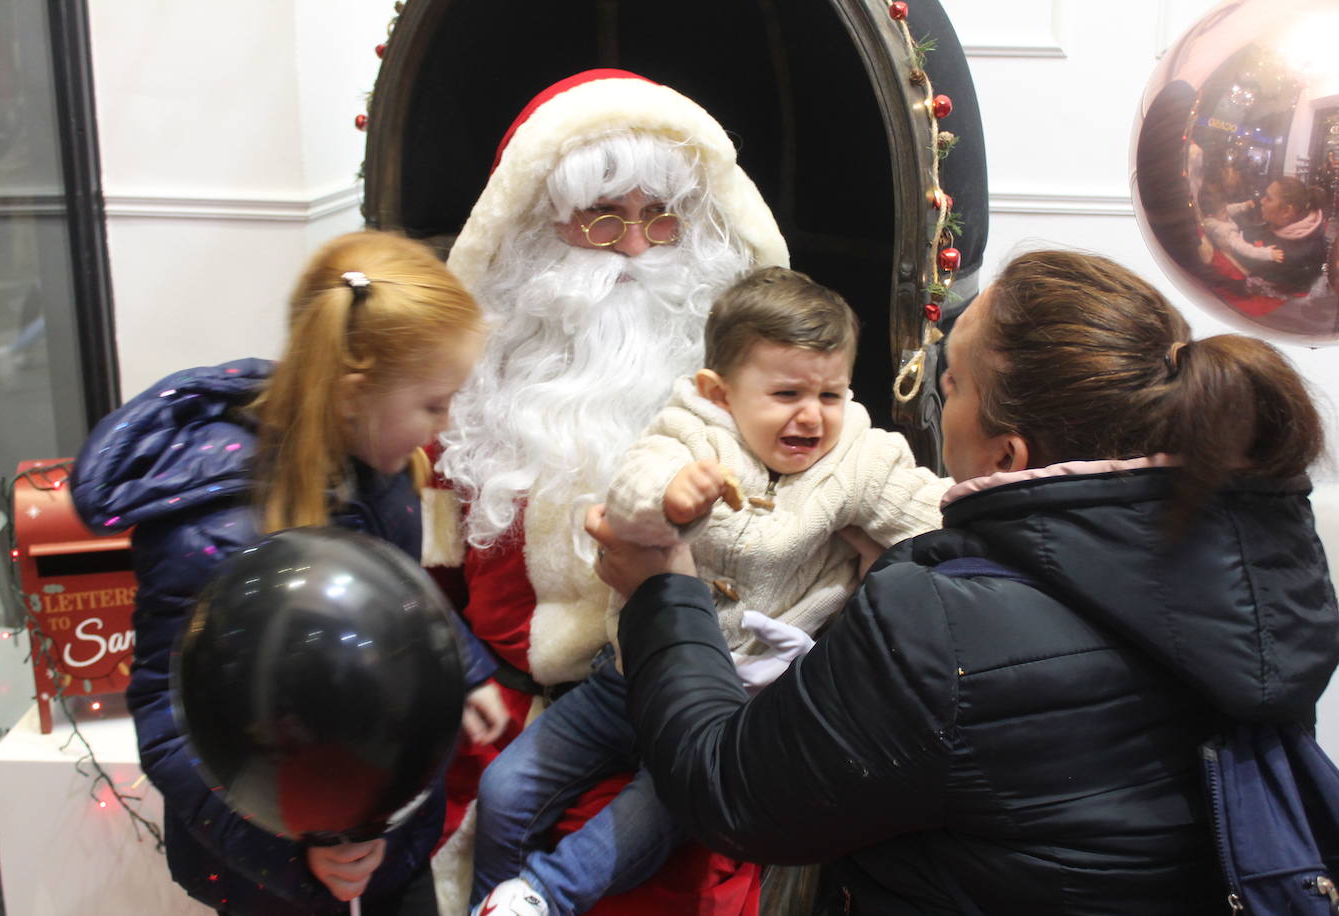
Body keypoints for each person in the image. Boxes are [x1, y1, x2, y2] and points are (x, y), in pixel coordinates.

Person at [589, 248, 1339, 914]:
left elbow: (728, 794)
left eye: (951, 385)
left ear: (1007, 456)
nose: (936, 399)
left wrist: (663, 592)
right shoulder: (1258, 558)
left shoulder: (935, 622)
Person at [468, 268, 945, 915]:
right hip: (630, 674)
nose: (812, 415)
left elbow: (934, 521)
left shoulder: (859, 456)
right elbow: (631, 500)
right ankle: (486, 899)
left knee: (650, 812)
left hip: (736, 709)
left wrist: (900, 543)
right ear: (718, 394)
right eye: (785, 393)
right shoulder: (689, 431)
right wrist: (671, 500)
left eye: (830, 394)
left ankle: (542, 897)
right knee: (505, 787)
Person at [424, 70, 788, 915]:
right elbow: (427, 584)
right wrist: (475, 684)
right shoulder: (463, 402)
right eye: (602, 219)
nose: (634, 249)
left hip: (696, 713)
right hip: (519, 722)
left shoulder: (749, 396)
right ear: (532, 231)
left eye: (660, 220)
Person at [69, 230, 509, 916]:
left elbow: (392, 587)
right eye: (432, 405)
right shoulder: (215, 526)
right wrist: (293, 854)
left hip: (382, 817)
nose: (441, 428)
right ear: (354, 390)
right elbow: (168, 718)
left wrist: (463, 660)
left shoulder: (373, 461)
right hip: (271, 857)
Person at [1241, 176, 1328, 293]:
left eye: (1269, 198)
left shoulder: (1290, 255)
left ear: (1287, 211)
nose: (1262, 201)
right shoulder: (1290, 229)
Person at [1197, 184, 1282, 267]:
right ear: (1211, 215)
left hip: (1237, 241)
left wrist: (1244, 205)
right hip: (1237, 256)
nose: (1226, 212)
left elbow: (1230, 208)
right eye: (1224, 211)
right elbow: (1244, 249)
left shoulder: (1212, 218)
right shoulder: (1225, 231)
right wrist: (1267, 254)